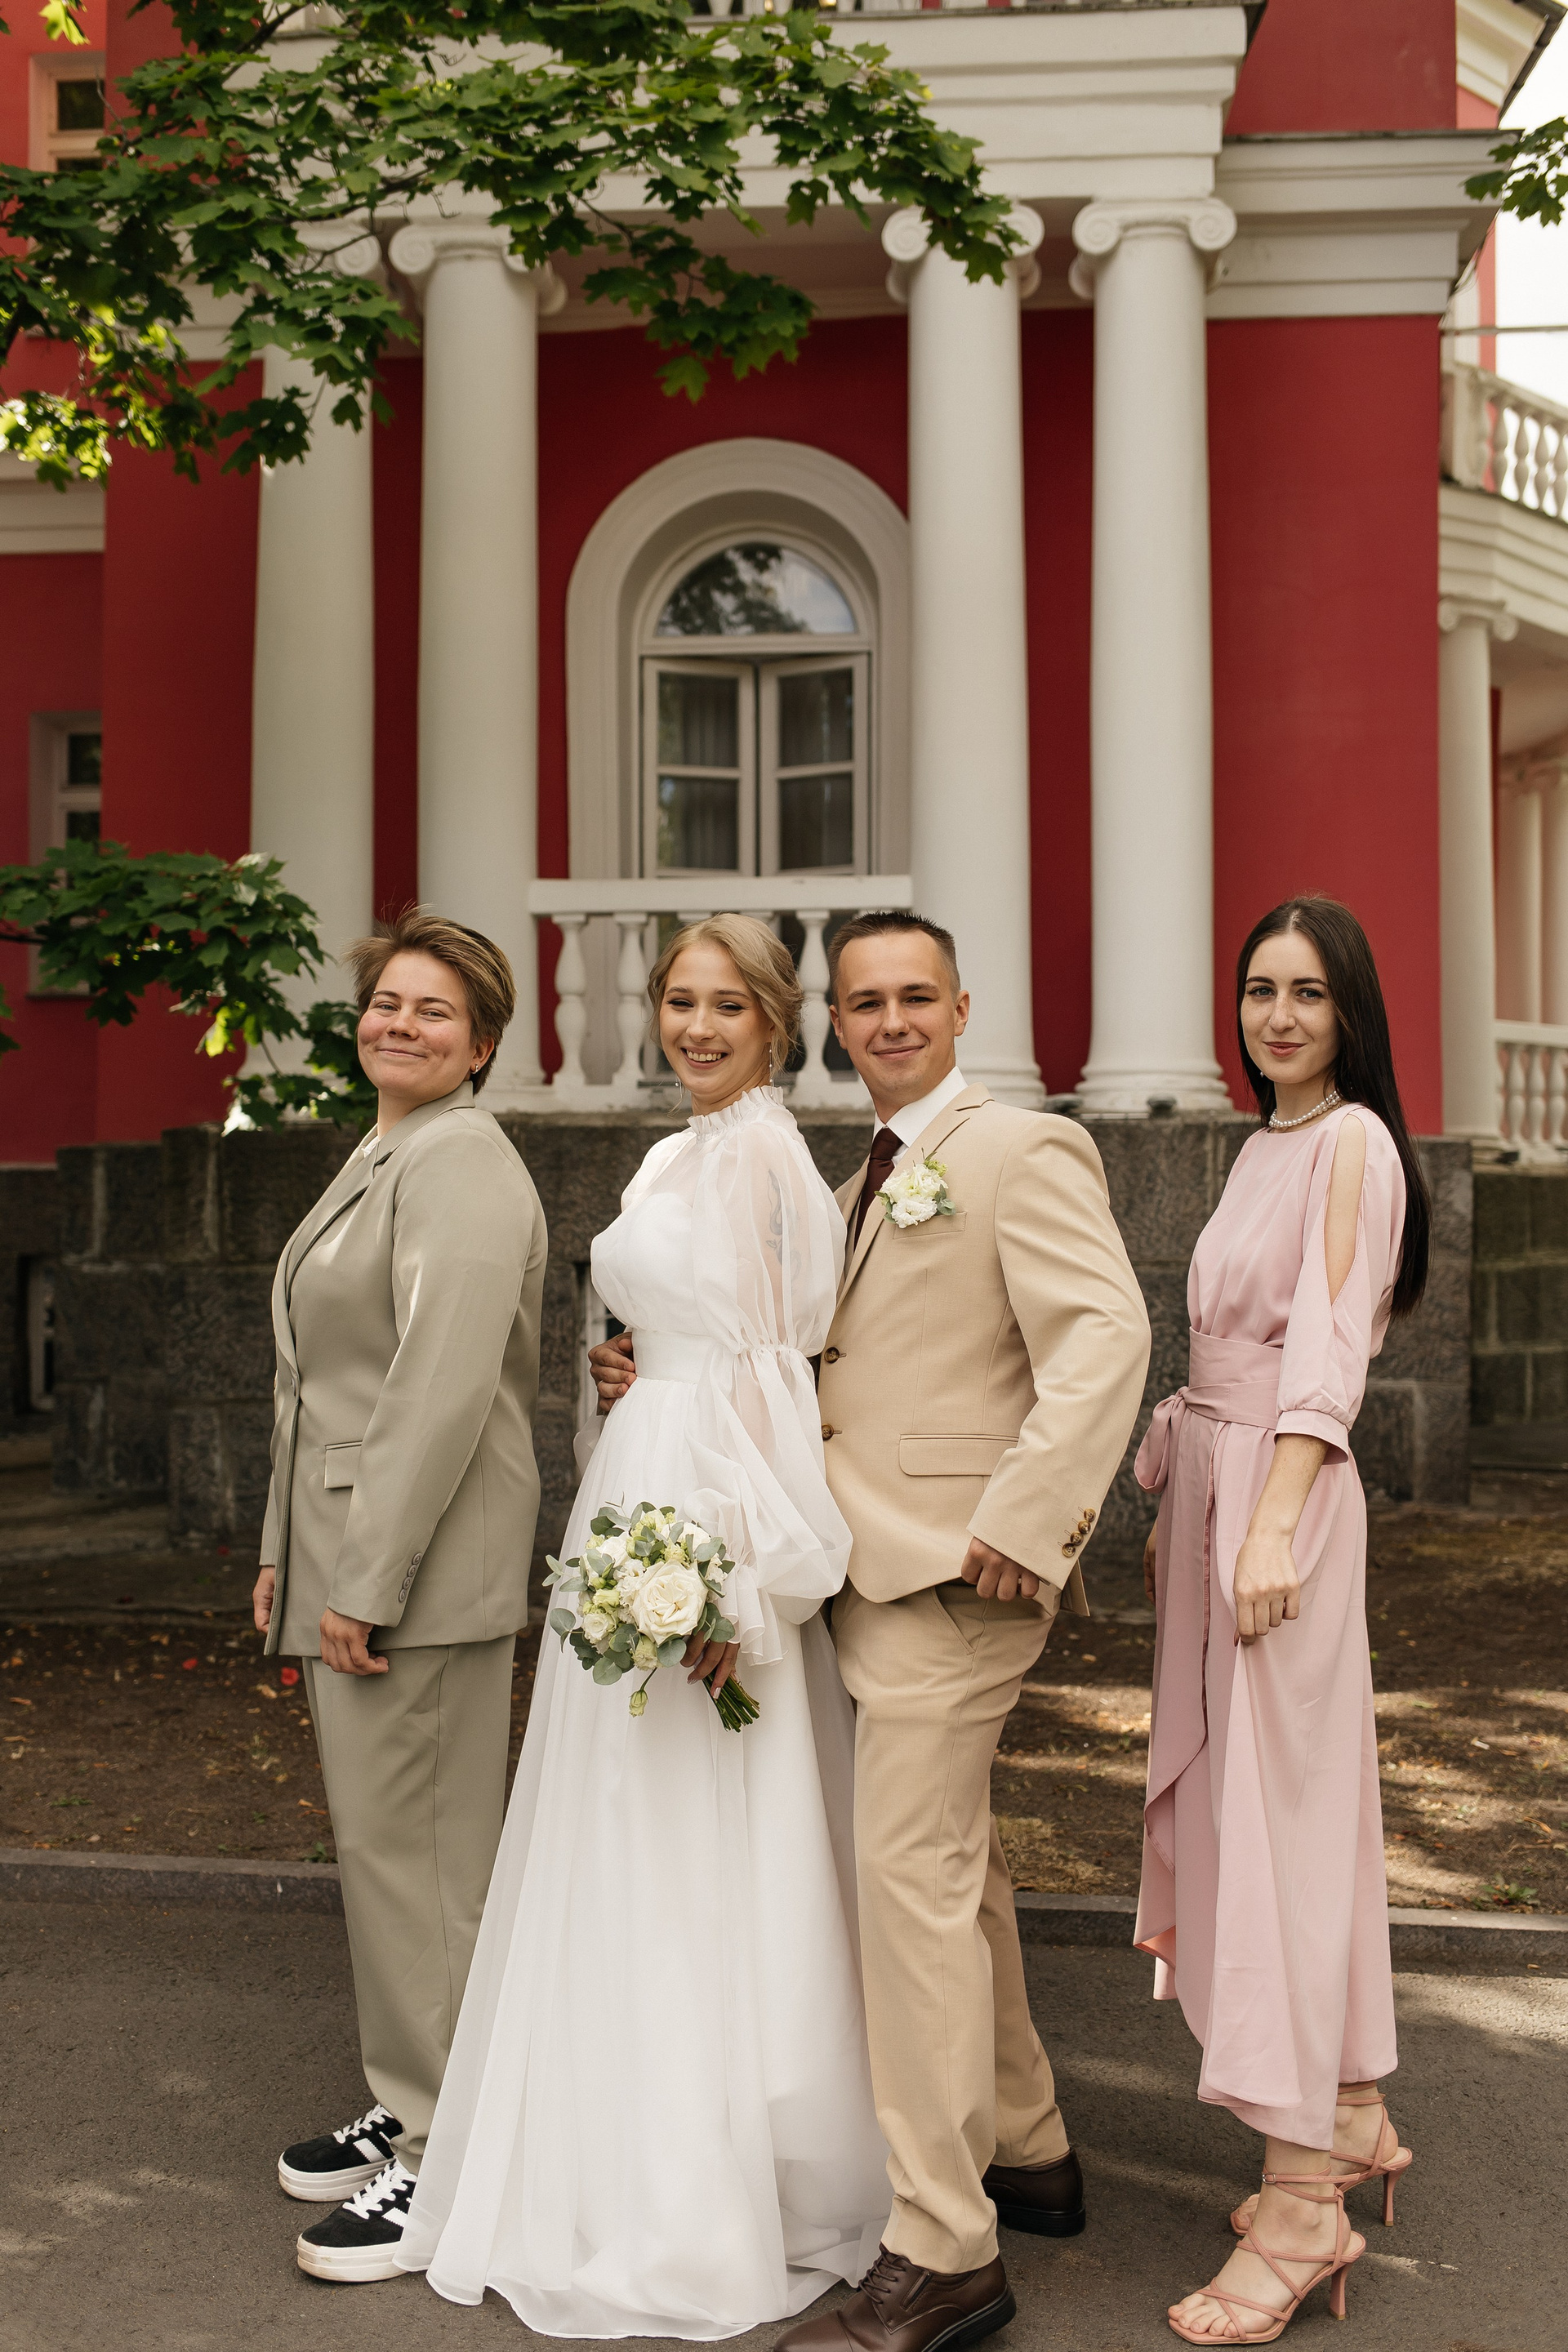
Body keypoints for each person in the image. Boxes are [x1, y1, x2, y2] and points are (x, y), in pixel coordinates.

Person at [596, 909, 1152, 2352]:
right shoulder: (856, 1178)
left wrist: (1029, 1522)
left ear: (963, 1008)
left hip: (962, 1572)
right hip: (859, 1567)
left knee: (906, 1892)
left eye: (916, 996)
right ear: (835, 1025)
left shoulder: (1022, 1148)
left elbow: (1105, 1336)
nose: (891, 1020)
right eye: (865, 1002)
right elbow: (797, 1365)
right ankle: (1028, 2148)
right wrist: (654, 1374)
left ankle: (944, 2248)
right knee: (954, 1875)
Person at [396, 914, 891, 2336]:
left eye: (727, 1005)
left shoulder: (771, 1159)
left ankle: (707, 2179)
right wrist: (633, 1367)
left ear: (775, 1022)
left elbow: (777, 1374)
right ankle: (599, 2142)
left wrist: (742, 1582)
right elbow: (685, 1333)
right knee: (613, 1815)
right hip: (639, 1474)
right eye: (680, 1000)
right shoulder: (677, 1152)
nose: (696, 1026)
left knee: (699, 1827)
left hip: (709, 1511)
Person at [1135, 896, 1430, 2345]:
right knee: (1270, 1817)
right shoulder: (1265, 1142)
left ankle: (1306, 2206)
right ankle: (1353, 2111)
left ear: (1350, 1010)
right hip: (1219, 1487)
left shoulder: (1354, 1142)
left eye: (1309, 992)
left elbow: (1327, 1349)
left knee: (1282, 1836)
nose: (1280, 1016)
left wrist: (1264, 1523)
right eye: (1261, 989)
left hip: (1281, 1500)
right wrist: (1184, 1505)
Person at [251, 909, 547, 2285]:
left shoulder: (463, 1160)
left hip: (419, 1576)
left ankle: (446, 2157)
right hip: (357, 1557)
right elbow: (320, 1385)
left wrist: (363, 1578)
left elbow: (435, 1392)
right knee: (389, 1865)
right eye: (387, 1003)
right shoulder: (387, 1150)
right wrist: (285, 1548)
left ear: (482, 1045)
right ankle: (413, 2093)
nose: (401, 1025)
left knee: (427, 1873)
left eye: (436, 1011)